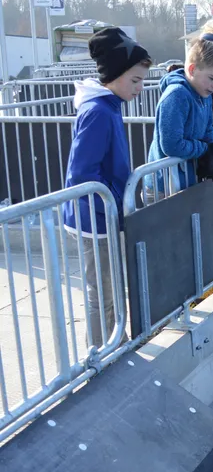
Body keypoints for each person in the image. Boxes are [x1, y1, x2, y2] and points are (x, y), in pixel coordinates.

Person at [62, 27, 152, 349]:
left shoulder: (109, 106)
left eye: (142, 81)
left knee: (111, 288)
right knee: (103, 293)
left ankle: (114, 342)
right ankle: (103, 353)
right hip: (93, 222)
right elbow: (80, 174)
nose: (140, 89)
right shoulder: (99, 112)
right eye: (135, 81)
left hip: (103, 217)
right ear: (114, 75)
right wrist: (114, 203)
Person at [145, 39, 213, 195]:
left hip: (186, 181)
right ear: (192, 69)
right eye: (212, 78)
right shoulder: (176, 95)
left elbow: (208, 129)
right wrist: (205, 149)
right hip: (164, 188)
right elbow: (172, 145)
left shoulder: (204, 94)